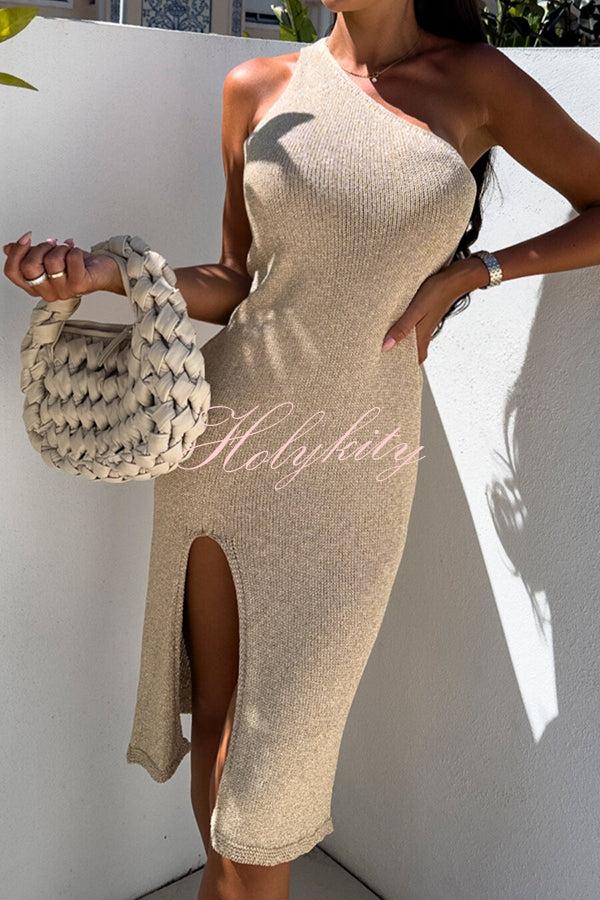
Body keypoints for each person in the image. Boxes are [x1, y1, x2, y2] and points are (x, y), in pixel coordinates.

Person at [5, 2, 600, 898]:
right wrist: (107, 274)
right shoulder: (257, 87)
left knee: (277, 767)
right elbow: (239, 280)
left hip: (360, 468)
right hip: (229, 444)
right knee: (221, 720)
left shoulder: (475, 83)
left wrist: (473, 274)